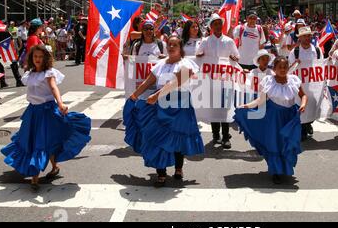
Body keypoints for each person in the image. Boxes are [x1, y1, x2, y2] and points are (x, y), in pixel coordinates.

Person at [0, 45, 91, 191]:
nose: (38, 59)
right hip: (32, 112)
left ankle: (34, 178)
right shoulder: (29, 74)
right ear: (31, 58)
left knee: (40, 142)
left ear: (45, 58)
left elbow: (54, 88)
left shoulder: (48, 73)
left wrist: (60, 103)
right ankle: (54, 167)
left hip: (47, 111)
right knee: (32, 140)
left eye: (41, 57)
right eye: (35, 56)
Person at [124, 36, 204, 187]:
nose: (171, 47)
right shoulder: (160, 64)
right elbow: (148, 81)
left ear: (180, 48)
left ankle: (178, 168)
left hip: (180, 105)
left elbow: (177, 82)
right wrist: (135, 95)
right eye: (170, 45)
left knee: (177, 137)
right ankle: (161, 172)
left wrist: (156, 95)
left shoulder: (186, 64)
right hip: (160, 105)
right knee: (157, 138)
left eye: (175, 45)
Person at [234, 57, 307, 184]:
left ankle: (284, 167)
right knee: (275, 142)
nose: (283, 70)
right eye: (280, 67)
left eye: (285, 67)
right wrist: (247, 106)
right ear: (274, 69)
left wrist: (303, 104)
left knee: (286, 143)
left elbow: (303, 95)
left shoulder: (294, 80)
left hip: (290, 116)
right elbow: (260, 100)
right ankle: (276, 171)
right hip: (273, 116)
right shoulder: (268, 81)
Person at [196, 14, 240, 149]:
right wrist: (200, 55)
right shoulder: (205, 41)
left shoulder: (229, 41)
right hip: (210, 80)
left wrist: (234, 57)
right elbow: (198, 56)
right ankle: (216, 135)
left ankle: (226, 136)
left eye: (219, 24)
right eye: (215, 24)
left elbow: (237, 56)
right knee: (214, 108)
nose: (218, 26)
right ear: (211, 27)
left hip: (225, 80)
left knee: (225, 108)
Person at [288, 26, 324, 141]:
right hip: (300, 85)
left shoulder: (317, 50)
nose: (307, 38)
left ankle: (309, 123)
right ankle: (303, 128)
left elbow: (322, 66)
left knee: (313, 106)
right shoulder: (295, 51)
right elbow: (289, 69)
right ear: (300, 38)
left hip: (314, 84)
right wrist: (295, 63)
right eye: (305, 36)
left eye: (309, 36)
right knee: (302, 106)